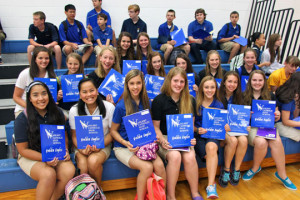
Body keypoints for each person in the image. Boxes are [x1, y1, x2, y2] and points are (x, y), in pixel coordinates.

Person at [110, 69, 166, 200]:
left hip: (144, 145)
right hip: (124, 147)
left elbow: (149, 126)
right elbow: (113, 131)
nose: (135, 87)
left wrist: (155, 137)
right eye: (132, 83)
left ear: (143, 84)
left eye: (138, 83)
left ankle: (163, 196)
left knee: (159, 165)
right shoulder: (120, 106)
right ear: (127, 85)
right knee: (146, 167)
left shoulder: (148, 103)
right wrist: (125, 143)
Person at [14, 81, 75, 200]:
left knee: (69, 170)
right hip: (30, 156)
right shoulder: (22, 118)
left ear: (49, 95)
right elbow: (23, 150)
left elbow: (63, 136)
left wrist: (65, 150)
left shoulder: (57, 112)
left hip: (54, 153)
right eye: (35, 95)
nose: (41, 98)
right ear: (30, 99)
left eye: (44, 94)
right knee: (48, 174)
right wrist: (45, 158)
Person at [151, 67, 202, 200]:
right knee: (174, 156)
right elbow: (156, 128)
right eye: (175, 81)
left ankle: (195, 193)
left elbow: (190, 127)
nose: (178, 85)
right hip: (165, 138)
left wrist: (191, 139)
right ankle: (170, 195)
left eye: (182, 81)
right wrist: (162, 140)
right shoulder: (158, 100)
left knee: (190, 156)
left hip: (183, 137)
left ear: (185, 83)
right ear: (169, 80)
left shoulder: (190, 100)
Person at [242, 70, 296, 190]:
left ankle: (282, 174)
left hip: (267, 126)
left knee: (276, 141)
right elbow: (238, 117)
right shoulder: (243, 95)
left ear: (264, 82)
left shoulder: (271, 95)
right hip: (252, 128)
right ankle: (255, 168)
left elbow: (275, 114)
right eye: (254, 80)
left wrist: (277, 115)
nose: (257, 83)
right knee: (261, 142)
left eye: (260, 80)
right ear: (250, 81)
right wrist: (247, 115)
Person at [69, 78, 115, 187]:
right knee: (83, 166)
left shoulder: (109, 107)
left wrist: (100, 145)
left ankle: (97, 192)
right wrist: (81, 149)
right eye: (84, 92)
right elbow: (74, 136)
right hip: (81, 145)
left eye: (91, 90)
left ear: (97, 91)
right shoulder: (74, 110)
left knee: (93, 161)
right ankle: (84, 195)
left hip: (103, 144)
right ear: (80, 94)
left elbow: (112, 133)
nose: (89, 94)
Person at [194, 76, 224, 199]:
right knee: (208, 155)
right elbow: (191, 126)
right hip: (199, 135)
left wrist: (225, 127)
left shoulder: (219, 104)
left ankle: (211, 186)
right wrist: (197, 129)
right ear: (201, 88)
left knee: (211, 147)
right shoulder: (194, 102)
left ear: (216, 89)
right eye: (206, 87)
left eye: (212, 87)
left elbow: (221, 125)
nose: (209, 90)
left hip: (212, 135)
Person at [218, 71, 248, 187]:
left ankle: (236, 170)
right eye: (229, 81)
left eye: (235, 82)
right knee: (233, 140)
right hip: (222, 129)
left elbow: (242, 117)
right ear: (224, 82)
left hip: (235, 129)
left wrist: (246, 124)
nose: (232, 84)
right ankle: (226, 170)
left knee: (244, 140)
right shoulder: (217, 95)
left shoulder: (240, 97)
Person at [13, 47, 56, 118]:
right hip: (24, 109)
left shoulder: (51, 74)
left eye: (46, 58)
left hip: (44, 109)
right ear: (35, 59)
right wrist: (32, 108)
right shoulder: (25, 73)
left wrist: (58, 96)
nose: (44, 61)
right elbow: (16, 97)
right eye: (40, 58)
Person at [57, 53, 84, 117]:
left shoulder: (84, 79)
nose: (73, 67)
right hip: (64, 109)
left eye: (76, 64)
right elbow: (55, 99)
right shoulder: (60, 79)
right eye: (70, 64)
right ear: (66, 63)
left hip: (79, 109)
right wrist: (58, 97)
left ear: (80, 64)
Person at [275, 72, 300, 142]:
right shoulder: (288, 98)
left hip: (285, 124)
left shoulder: (287, 90)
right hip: (280, 126)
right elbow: (285, 121)